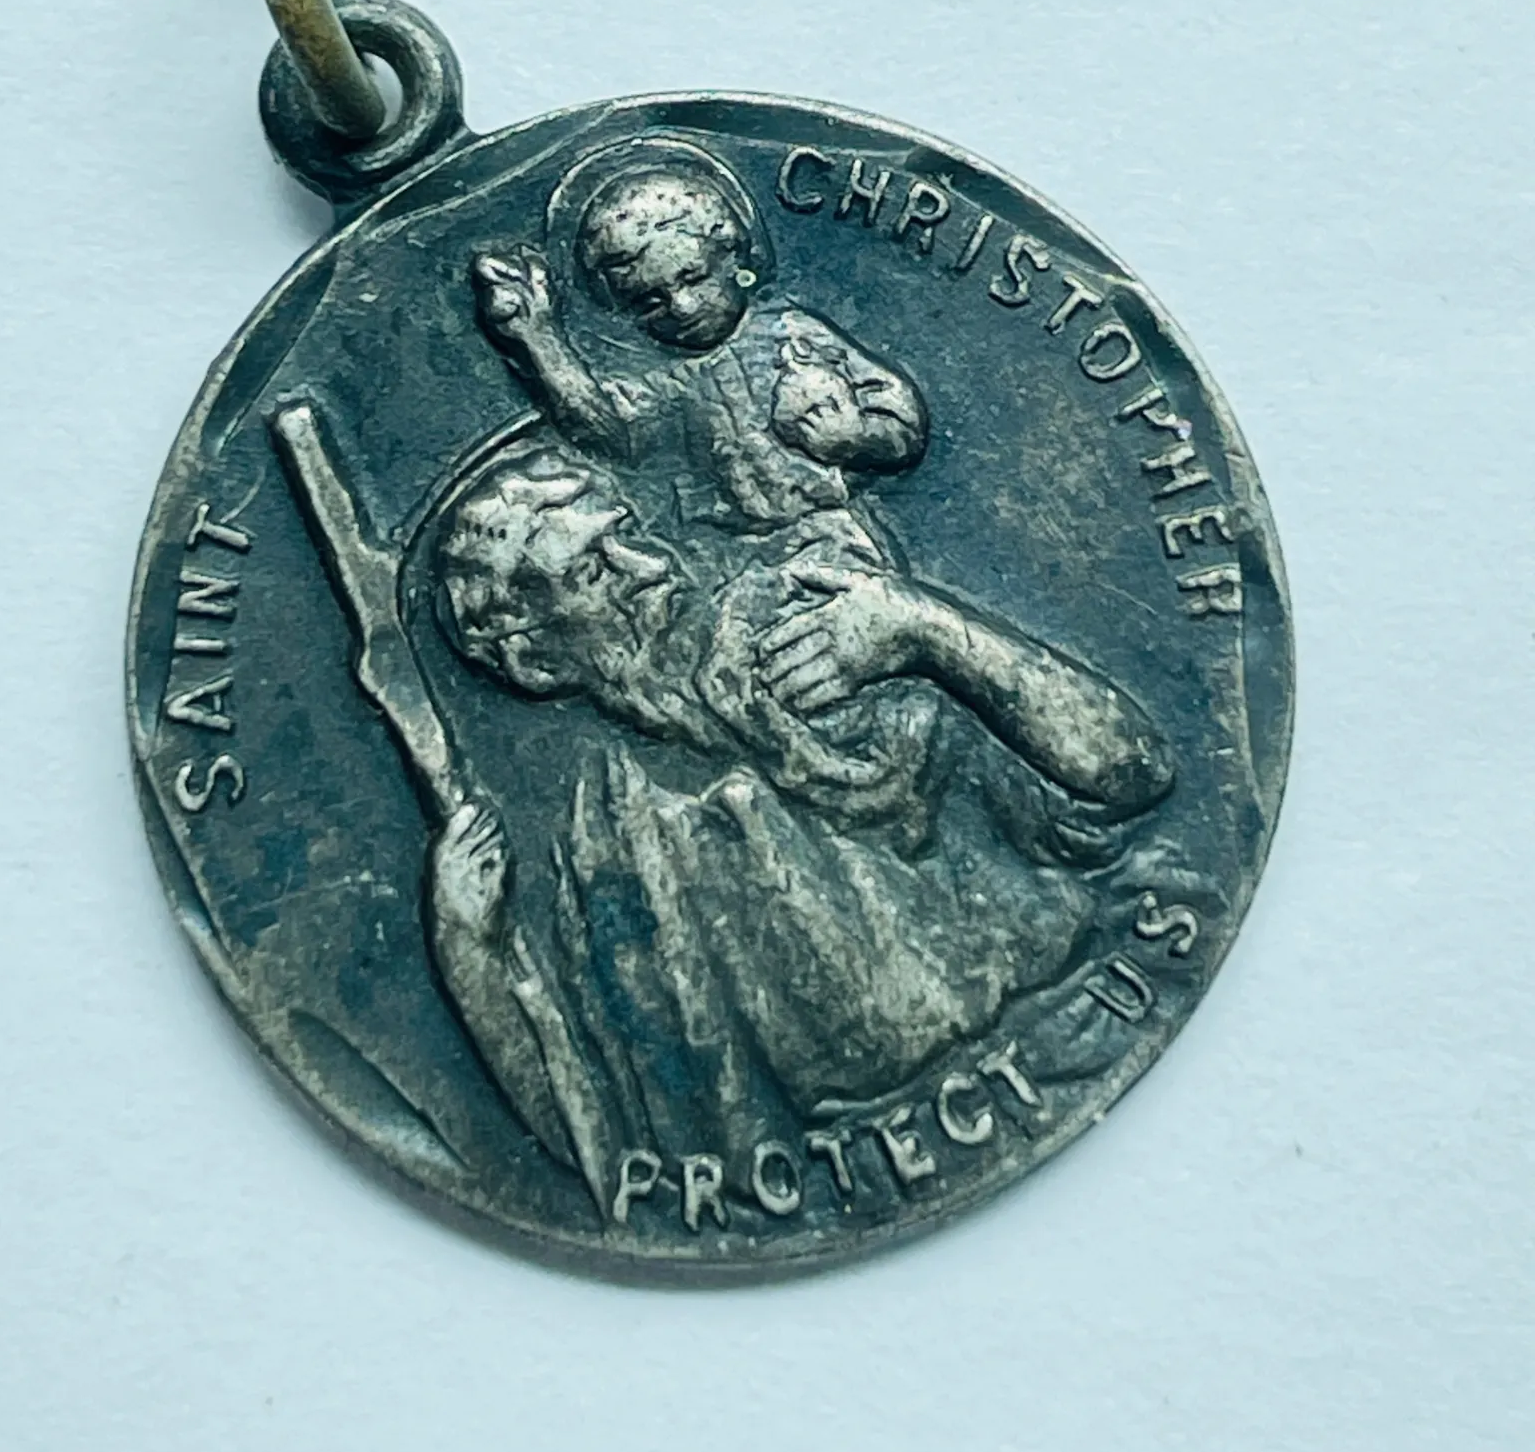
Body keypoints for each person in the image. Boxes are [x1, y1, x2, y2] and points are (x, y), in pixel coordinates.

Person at [424, 445, 1175, 1197]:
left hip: (1091, 1029)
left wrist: (927, 631)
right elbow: (612, 1158)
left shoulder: (816, 632)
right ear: (536, 662)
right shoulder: (605, 848)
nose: (650, 567)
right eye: (593, 571)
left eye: (629, 534)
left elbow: (1130, 772)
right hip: (872, 1165)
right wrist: (470, 949)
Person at [470, 159, 926, 561]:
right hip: (724, 558)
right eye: (650, 300)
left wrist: (853, 438)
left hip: (828, 540)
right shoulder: (664, 382)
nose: (683, 307)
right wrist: (538, 336)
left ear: (732, 255)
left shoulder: (792, 336)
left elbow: (902, 422)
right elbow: (609, 435)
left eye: (693, 277)